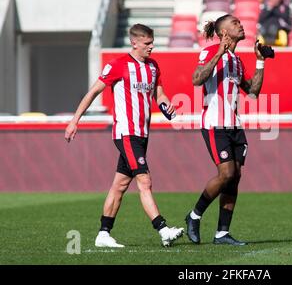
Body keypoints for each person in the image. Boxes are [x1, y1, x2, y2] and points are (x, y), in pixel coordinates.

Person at [64, 24, 184, 248]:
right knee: (144, 180)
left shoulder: (153, 66)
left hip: (142, 134)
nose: (151, 47)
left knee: (119, 186)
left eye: (152, 42)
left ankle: (103, 234)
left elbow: (159, 93)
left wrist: (168, 106)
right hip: (125, 133)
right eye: (147, 43)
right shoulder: (118, 65)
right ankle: (163, 229)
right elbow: (93, 92)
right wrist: (74, 120)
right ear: (135, 43)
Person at [186, 14, 269, 246]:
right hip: (215, 124)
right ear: (223, 32)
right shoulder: (210, 51)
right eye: (235, 23)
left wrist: (260, 61)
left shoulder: (237, 60)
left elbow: (252, 92)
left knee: (235, 178)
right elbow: (196, 79)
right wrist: (219, 54)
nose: (240, 25)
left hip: (234, 125)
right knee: (226, 174)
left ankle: (222, 233)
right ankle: (194, 216)